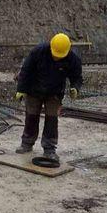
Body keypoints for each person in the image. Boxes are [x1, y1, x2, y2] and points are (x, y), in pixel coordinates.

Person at [15, 33, 82, 161]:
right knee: (31, 116)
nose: (56, 58)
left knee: (52, 120)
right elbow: (26, 70)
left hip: (54, 93)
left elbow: (77, 76)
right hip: (34, 89)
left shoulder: (72, 59)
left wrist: (75, 87)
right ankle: (27, 144)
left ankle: (49, 149)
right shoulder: (38, 52)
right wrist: (21, 90)